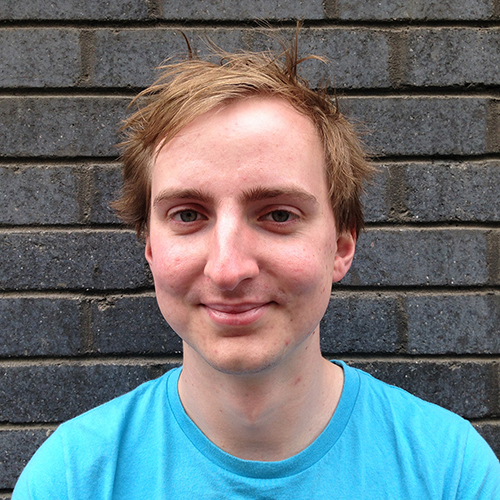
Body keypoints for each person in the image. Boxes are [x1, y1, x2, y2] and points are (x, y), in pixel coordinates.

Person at [13, 42, 500, 499]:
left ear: (341, 245)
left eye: (279, 214)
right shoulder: (72, 479)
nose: (228, 270)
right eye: (188, 215)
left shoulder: (451, 473)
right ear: (151, 248)